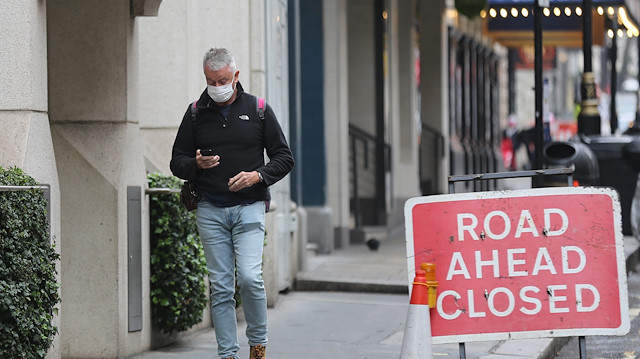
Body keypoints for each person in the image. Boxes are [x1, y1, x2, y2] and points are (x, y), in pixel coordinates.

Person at [170, 47, 294, 359]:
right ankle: (227, 353)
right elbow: (177, 162)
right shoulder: (196, 112)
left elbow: (284, 158)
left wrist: (258, 176)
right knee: (221, 287)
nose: (217, 86)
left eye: (223, 79)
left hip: (249, 207)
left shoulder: (258, 109)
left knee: (251, 278)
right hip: (210, 209)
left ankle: (258, 346)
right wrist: (195, 164)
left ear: (236, 76)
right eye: (211, 80)